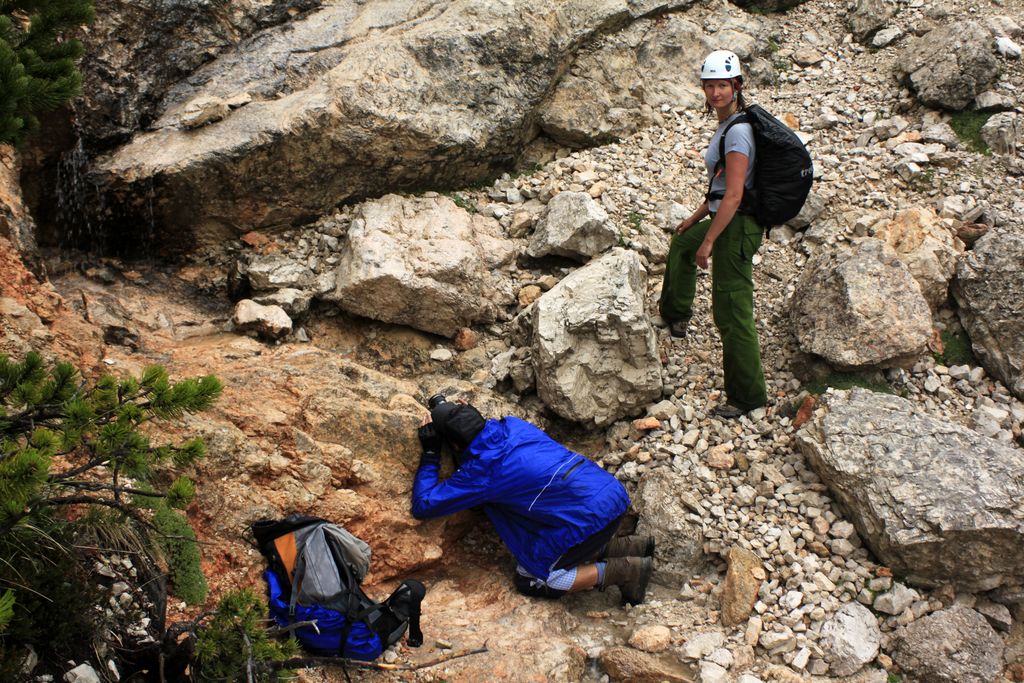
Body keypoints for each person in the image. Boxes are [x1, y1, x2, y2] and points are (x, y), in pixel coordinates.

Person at [410, 395, 655, 605]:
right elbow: (481, 435)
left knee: (531, 578)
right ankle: (628, 546)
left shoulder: (483, 472)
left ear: (454, 444)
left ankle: (623, 571)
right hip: (611, 493)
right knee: (556, 526)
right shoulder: (515, 426)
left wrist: (431, 454)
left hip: (588, 518)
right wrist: (465, 416)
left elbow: (424, 505)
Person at [659, 49, 768, 419]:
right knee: (681, 243)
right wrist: (694, 221)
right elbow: (721, 189)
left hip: (736, 227)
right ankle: (676, 312)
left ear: (737, 85)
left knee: (732, 311)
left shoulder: (738, 132)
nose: (716, 92)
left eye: (723, 85)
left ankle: (747, 396)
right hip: (726, 216)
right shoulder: (727, 123)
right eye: (710, 85)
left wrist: (709, 241)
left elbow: (736, 195)